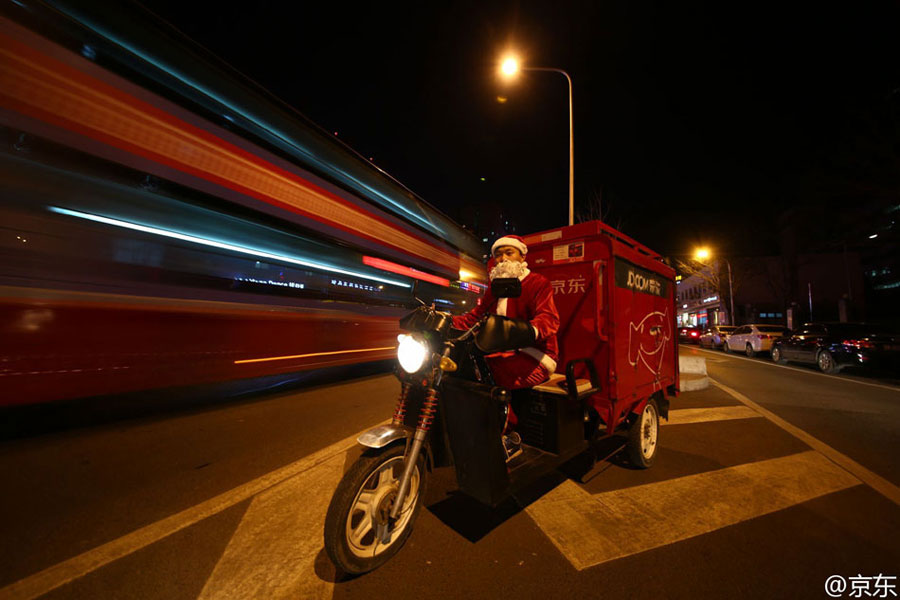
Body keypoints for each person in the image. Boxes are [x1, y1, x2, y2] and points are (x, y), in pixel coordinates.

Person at [452, 235, 560, 460]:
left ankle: (510, 437)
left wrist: (528, 331)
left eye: (508, 253)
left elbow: (548, 318)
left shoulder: (538, 283)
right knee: (461, 369)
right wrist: (443, 320)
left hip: (535, 355)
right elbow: (474, 318)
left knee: (488, 375)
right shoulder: (494, 289)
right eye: (497, 254)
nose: (502, 258)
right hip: (501, 353)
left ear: (522, 256)